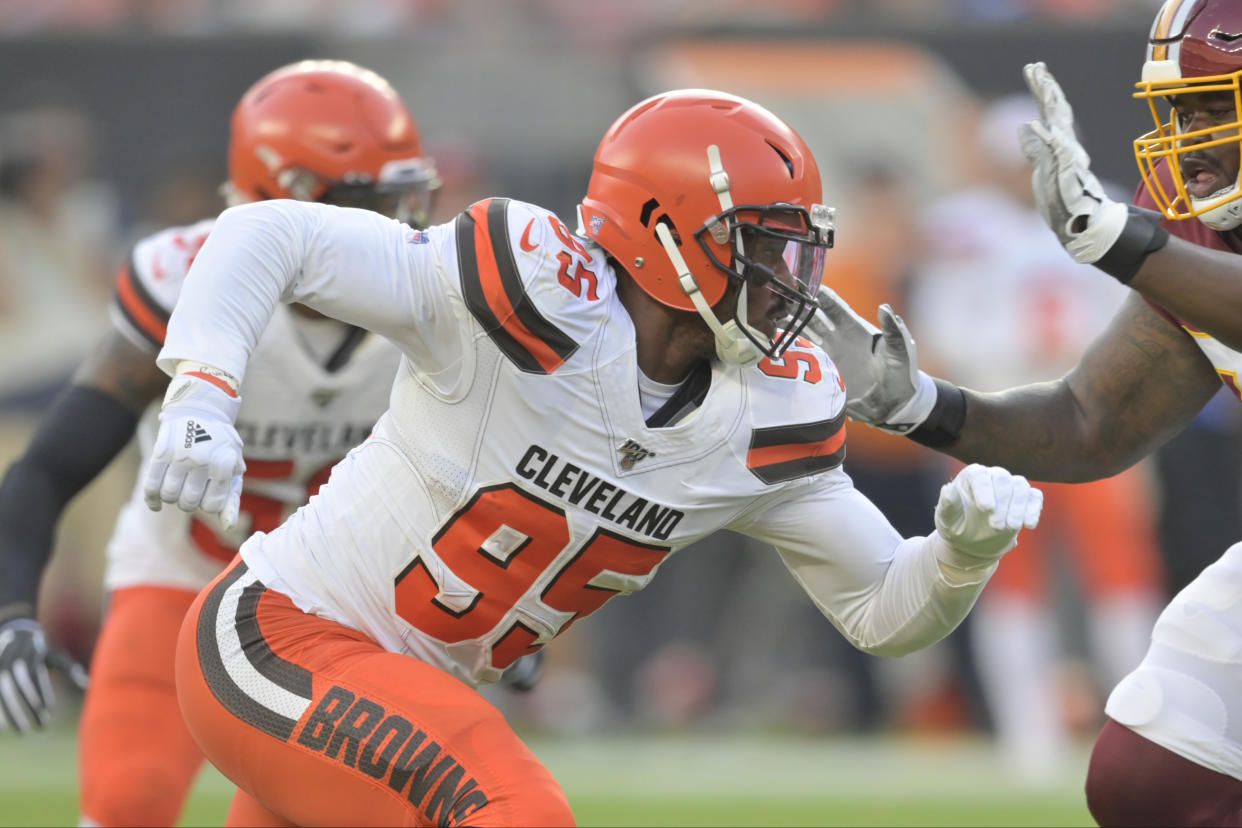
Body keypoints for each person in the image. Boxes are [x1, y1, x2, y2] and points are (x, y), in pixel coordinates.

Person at [139, 88, 1042, 826]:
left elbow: (883, 610)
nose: (791, 280)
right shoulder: (533, 289)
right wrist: (203, 390)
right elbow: (267, 235)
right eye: (762, 245)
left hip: (388, 696)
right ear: (666, 231)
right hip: (282, 636)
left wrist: (959, 556)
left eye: (796, 247)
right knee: (509, 805)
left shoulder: (772, 406)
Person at [807, 1, 1242, 822]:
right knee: (1148, 779)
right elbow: (1092, 420)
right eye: (1176, 108)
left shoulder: (1147, 236)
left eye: (1212, 107)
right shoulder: (1204, 225)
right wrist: (919, 404)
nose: (1188, 138)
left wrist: (1125, 243)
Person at [0, 59, 440, 828]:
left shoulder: (438, 299)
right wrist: (11, 607)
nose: (402, 224)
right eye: (378, 199)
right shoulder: (184, 284)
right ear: (296, 199)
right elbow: (46, 469)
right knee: (126, 805)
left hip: (334, 609)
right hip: (180, 582)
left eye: (409, 197)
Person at [908, 94, 1164, 781]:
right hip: (996, 418)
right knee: (1000, 575)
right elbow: (937, 329)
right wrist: (1012, 348)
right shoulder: (962, 229)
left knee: (1121, 576)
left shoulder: (1104, 210)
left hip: (1096, 416)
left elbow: (1142, 318)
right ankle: (1030, 739)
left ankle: (1144, 731)